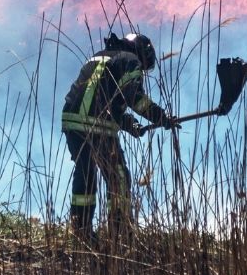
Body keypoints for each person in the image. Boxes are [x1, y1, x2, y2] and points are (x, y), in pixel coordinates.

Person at [59, 32, 177, 238]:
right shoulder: (131, 61)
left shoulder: (99, 56)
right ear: (143, 54)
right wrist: (161, 117)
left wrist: (126, 123)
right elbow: (135, 97)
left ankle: (81, 229)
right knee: (118, 176)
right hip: (98, 126)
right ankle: (120, 231)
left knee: (85, 172)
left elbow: (102, 97)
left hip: (72, 121)